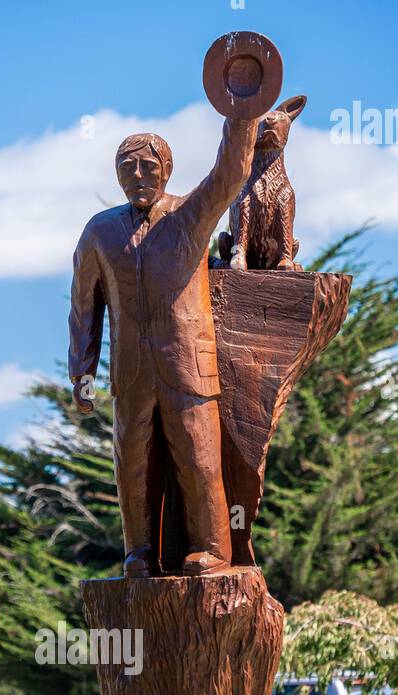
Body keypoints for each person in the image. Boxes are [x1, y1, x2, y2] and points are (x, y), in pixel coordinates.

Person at [68, 115, 258, 577]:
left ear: (166, 170)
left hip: (189, 365)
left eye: (147, 167)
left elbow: (231, 171)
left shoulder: (190, 214)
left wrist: (242, 113)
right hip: (131, 371)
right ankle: (138, 553)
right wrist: (82, 372)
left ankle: (212, 548)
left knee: (198, 457)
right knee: (131, 465)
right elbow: (84, 305)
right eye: (127, 167)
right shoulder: (100, 231)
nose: (137, 176)